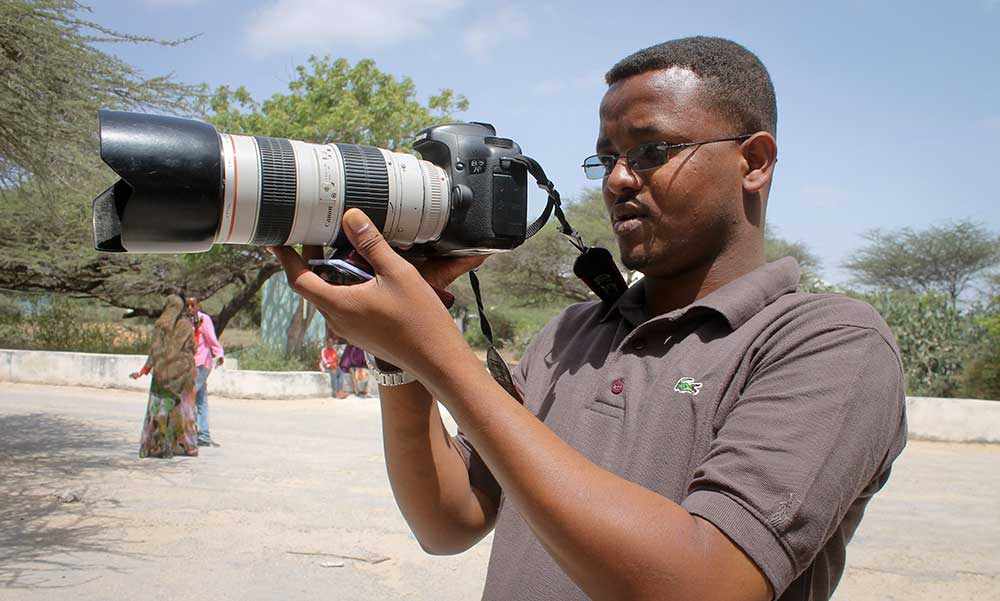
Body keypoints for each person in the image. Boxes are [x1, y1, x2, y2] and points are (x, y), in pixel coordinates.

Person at [270, 37, 907, 601]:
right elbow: (449, 520)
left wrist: (442, 357)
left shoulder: (829, 343)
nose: (619, 180)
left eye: (654, 150)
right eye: (606, 159)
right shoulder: (571, 335)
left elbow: (705, 585)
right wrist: (400, 359)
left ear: (755, 161)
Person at [131, 295, 199, 458]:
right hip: (183, 375)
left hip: (161, 375)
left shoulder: (160, 325)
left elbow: (154, 352)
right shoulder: (185, 325)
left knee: (157, 410)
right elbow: (194, 349)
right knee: (184, 410)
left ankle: (153, 445)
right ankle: (186, 446)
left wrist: (144, 370)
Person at [185, 296, 224, 447]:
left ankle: (189, 432)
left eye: (192, 305)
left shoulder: (204, 319)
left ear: (198, 306)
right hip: (190, 364)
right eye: (187, 305)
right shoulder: (186, 322)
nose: (189, 308)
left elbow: (211, 338)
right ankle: (204, 435)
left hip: (202, 363)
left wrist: (219, 353)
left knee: (190, 396)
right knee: (201, 401)